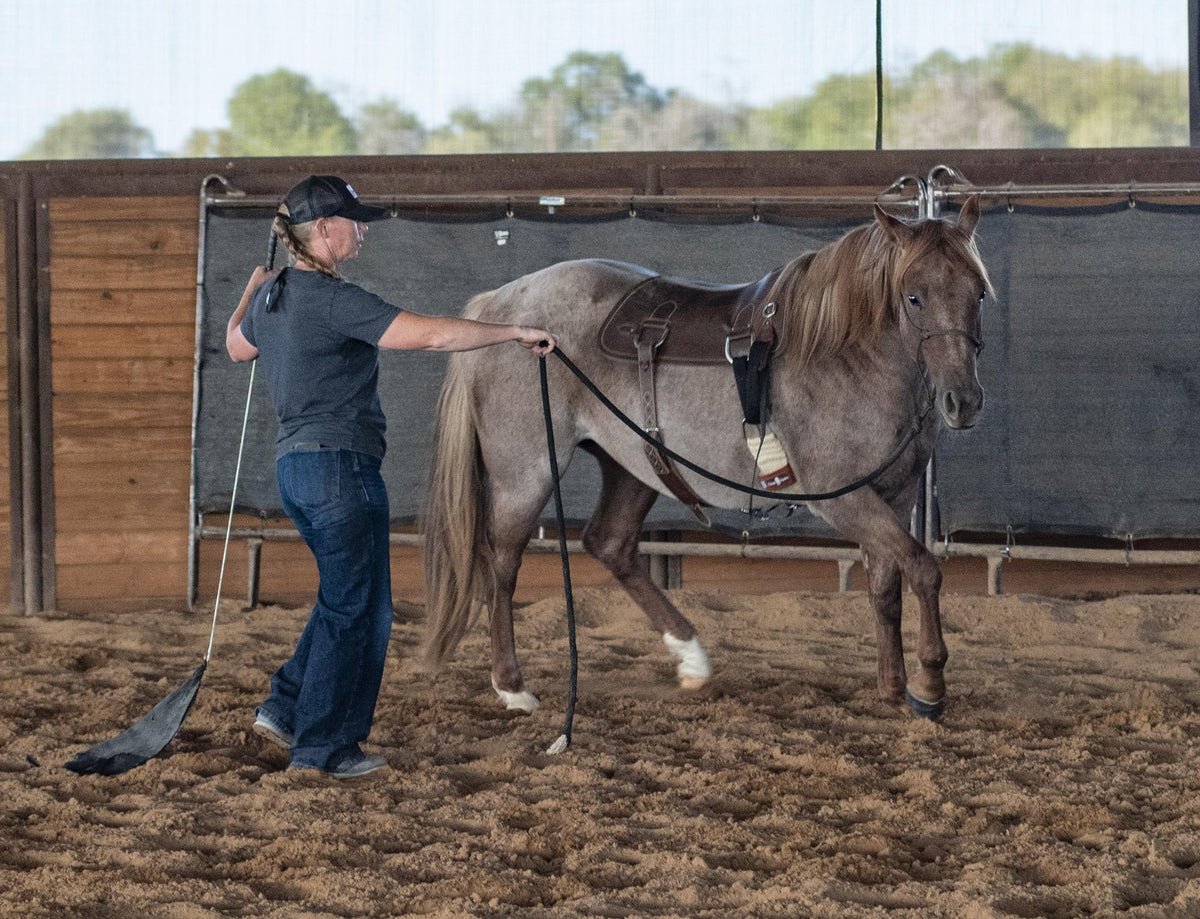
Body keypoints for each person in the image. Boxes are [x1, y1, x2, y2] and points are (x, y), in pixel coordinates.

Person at [226, 175, 556, 778]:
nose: (363, 229)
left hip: (296, 470)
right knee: (362, 612)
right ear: (322, 230)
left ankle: (283, 707)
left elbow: (236, 347)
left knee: (343, 600)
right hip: (340, 472)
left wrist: (249, 295)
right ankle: (323, 750)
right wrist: (511, 332)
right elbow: (429, 335)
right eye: (353, 221)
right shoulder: (331, 298)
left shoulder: (274, 296)